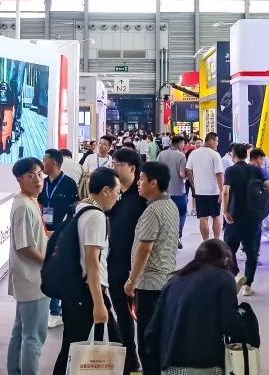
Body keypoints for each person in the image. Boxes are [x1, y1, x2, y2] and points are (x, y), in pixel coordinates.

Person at [52, 168, 123, 375]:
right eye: (117, 192)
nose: (117, 198)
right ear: (106, 190)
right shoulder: (96, 216)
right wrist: (99, 304)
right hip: (89, 293)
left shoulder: (79, 208)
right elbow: (92, 262)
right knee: (112, 345)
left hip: (74, 290)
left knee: (71, 348)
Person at [144, 240, 247, 374]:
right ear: (226, 260)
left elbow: (151, 331)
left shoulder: (174, 280)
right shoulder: (224, 277)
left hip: (170, 365)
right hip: (204, 364)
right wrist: (243, 316)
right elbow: (230, 326)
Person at [125, 161, 179, 375]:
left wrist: (131, 281)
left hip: (149, 284)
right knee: (158, 338)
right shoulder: (170, 205)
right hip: (165, 282)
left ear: (153, 183)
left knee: (147, 341)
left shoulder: (153, 211)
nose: (138, 183)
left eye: (141, 179)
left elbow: (145, 249)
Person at [6, 158, 49, 375]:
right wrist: (49, 263)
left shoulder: (28, 201)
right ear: (19, 179)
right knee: (34, 336)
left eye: (40, 174)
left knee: (21, 331)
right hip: (33, 279)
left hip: (29, 278)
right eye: (31, 175)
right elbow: (25, 247)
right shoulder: (24, 206)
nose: (37, 180)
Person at [108, 148, 146, 374]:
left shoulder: (141, 199)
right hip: (114, 264)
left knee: (142, 315)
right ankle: (130, 358)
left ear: (132, 168)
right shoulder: (114, 195)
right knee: (122, 315)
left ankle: (144, 358)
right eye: (113, 163)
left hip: (136, 268)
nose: (114, 167)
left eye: (118, 164)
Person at [223, 144, 269, 297]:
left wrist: (225, 211)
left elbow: (225, 192)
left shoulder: (230, 170)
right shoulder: (256, 170)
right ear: (246, 155)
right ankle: (248, 286)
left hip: (234, 216)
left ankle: (237, 275)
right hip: (253, 217)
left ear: (233, 155)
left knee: (228, 250)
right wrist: (264, 206)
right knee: (252, 252)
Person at [39, 149, 79, 329]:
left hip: (62, 233)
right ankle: (53, 309)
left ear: (54, 162)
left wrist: (65, 232)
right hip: (44, 232)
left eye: (45, 161)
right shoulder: (42, 182)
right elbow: (40, 204)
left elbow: (74, 210)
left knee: (59, 269)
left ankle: (57, 311)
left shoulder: (69, 184)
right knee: (47, 269)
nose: (42, 164)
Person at [185, 132, 224, 241]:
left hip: (200, 191)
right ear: (211, 141)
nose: (217, 143)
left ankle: (206, 242)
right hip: (214, 191)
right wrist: (221, 190)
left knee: (203, 218)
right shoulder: (215, 154)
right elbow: (219, 174)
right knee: (216, 216)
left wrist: (193, 184)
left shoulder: (194, 153)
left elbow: (188, 170)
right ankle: (216, 240)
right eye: (216, 141)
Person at [158, 135, 188, 243]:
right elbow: (182, 173)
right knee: (181, 212)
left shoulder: (161, 154)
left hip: (164, 190)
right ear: (179, 144)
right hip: (178, 190)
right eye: (183, 143)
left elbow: (157, 170)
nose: (183, 145)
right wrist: (189, 176)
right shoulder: (181, 155)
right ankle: (178, 234)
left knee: (165, 215)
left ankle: (166, 236)